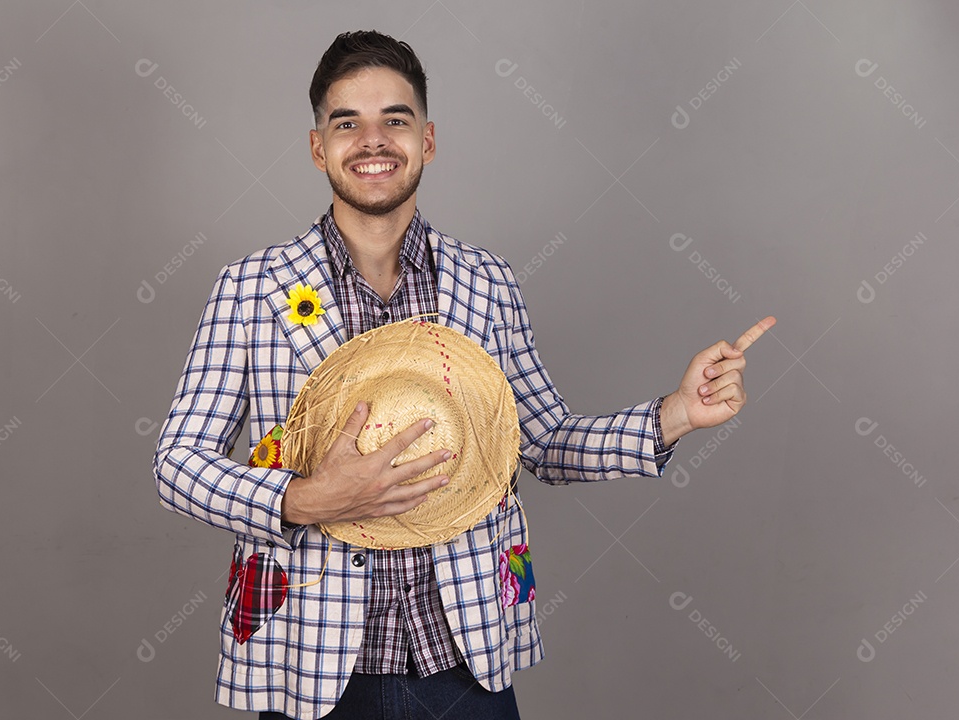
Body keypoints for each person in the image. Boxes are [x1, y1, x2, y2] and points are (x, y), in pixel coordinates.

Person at [152, 29, 775, 720]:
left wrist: (677, 415)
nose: (374, 141)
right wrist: (306, 500)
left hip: (464, 663)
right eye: (347, 123)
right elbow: (177, 464)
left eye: (396, 119)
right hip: (308, 665)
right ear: (317, 146)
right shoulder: (251, 289)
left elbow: (540, 441)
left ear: (428, 139)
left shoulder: (488, 284)